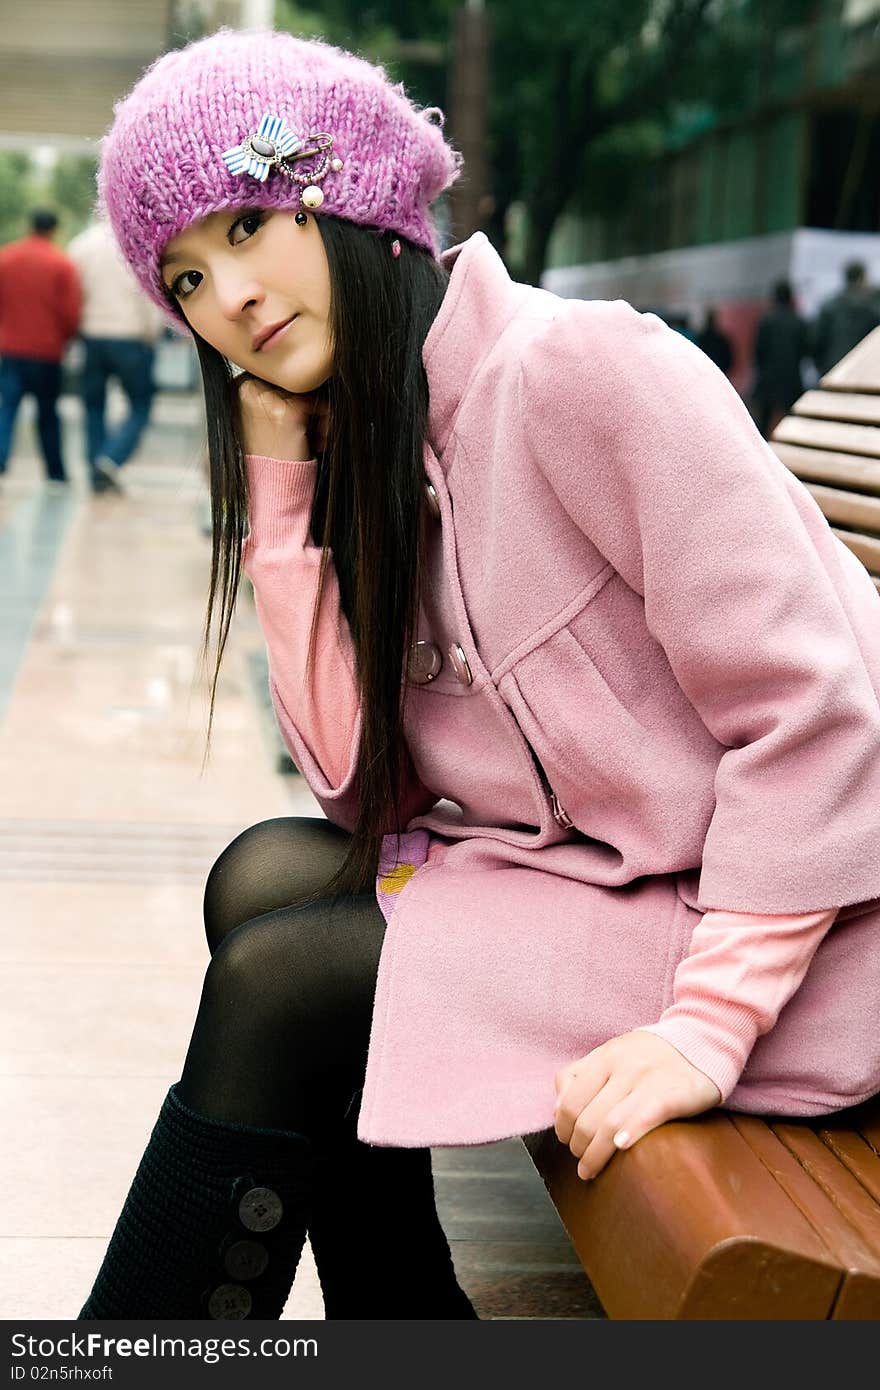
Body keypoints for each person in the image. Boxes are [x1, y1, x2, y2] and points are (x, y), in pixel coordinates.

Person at [78, 29, 880, 1322]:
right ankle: (400, 1316)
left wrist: (704, 1028)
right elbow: (350, 790)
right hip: (627, 887)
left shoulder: (580, 373)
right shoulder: (389, 442)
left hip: (823, 930)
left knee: (285, 987)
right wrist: (283, 499)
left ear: (355, 195)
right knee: (265, 874)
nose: (224, 294)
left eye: (243, 225)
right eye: (183, 275)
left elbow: (826, 716)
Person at [67, 218, 165, 493]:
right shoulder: (134, 241)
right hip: (130, 335)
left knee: (93, 406)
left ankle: (96, 467)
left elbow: (72, 293)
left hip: (92, 335)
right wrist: (151, 334)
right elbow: (148, 293)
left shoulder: (81, 245)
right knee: (141, 404)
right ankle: (111, 458)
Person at [0, 209, 81, 485]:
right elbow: (70, 312)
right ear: (54, 229)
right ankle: (55, 473)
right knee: (47, 413)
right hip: (47, 351)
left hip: (10, 349)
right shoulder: (62, 264)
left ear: (29, 225)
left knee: (7, 407)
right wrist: (67, 337)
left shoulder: (6, 258)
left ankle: (1, 459)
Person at [749, 279, 811, 439]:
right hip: (791, 378)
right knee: (794, 420)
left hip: (769, 379)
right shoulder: (798, 322)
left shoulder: (766, 321)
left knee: (762, 424)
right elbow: (805, 350)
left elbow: (758, 352)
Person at [812, 260, 880, 378]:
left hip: (833, 368)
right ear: (862, 278)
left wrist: (821, 367)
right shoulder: (872, 307)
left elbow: (816, 341)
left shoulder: (829, 305)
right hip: (863, 370)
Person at [695, 306, 733, 378]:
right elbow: (728, 356)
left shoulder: (701, 338)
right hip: (720, 370)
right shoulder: (721, 338)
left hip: (706, 370)